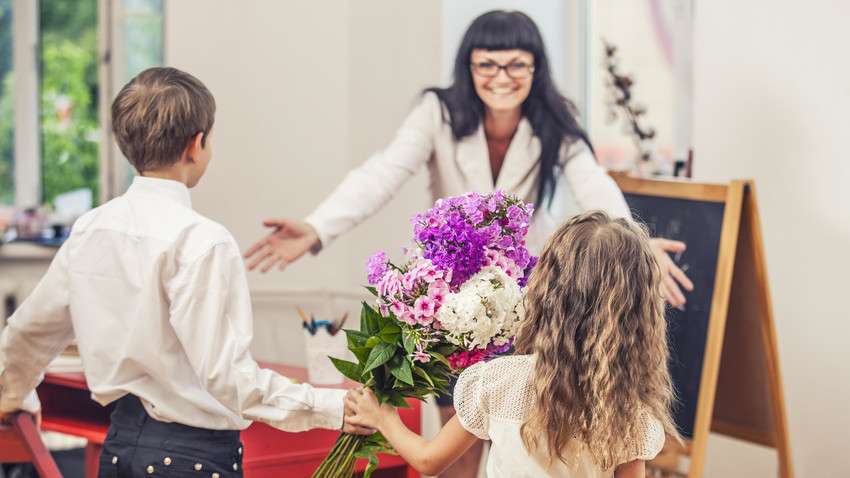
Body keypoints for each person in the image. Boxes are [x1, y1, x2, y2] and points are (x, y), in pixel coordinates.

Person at [244, 10, 692, 476]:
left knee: (530, 430)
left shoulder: (555, 119)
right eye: (487, 65)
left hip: (523, 310)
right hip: (450, 307)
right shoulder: (437, 113)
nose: (502, 77)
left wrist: (631, 247)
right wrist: (318, 227)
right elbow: (383, 173)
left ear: (535, 68)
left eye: (516, 64)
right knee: (461, 437)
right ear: (469, 66)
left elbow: (592, 182)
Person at [0, 67, 368, 477]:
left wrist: (14, 396)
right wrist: (336, 406)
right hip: (192, 460)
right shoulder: (202, 241)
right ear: (197, 145)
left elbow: (28, 332)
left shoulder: (90, 228)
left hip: (118, 451)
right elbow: (227, 378)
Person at [344, 210, 682, 478]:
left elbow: (429, 461)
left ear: (546, 291)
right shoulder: (627, 413)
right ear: (639, 316)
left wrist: (382, 417)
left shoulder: (498, 381)